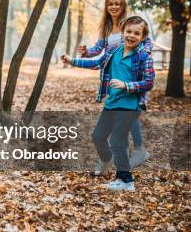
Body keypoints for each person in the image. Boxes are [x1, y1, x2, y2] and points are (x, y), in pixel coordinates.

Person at [62, 16, 155, 192]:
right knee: (98, 136)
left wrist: (126, 85)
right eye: (129, 31)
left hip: (129, 106)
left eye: (137, 33)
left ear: (143, 37)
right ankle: (108, 160)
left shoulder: (143, 57)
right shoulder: (114, 52)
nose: (132, 35)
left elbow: (149, 82)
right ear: (122, 33)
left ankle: (126, 180)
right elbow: (96, 62)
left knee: (117, 140)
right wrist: (72, 61)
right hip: (111, 104)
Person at [76, 0, 152, 169]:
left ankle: (136, 151)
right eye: (110, 3)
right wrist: (86, 52)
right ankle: (116, 156)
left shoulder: (130, 24)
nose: (114, 6)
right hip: (112, 76)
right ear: (106, 6)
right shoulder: (107, 26)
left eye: (117, 3)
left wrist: (136, 56)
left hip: (131, 75)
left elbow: (146, 44)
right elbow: (99, 48)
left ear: (123, 5)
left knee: (129, 113)